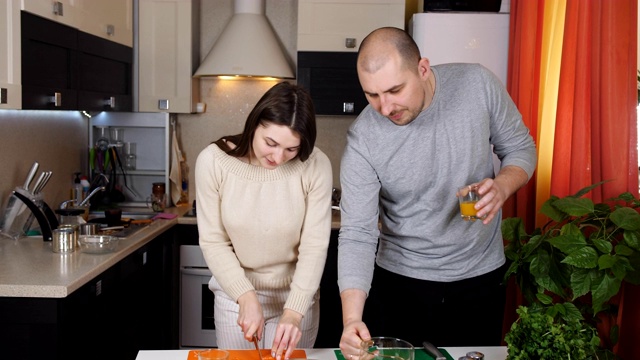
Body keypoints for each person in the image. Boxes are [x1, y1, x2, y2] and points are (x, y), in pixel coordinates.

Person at [337, 27, 538, 355]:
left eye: (394, 90)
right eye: (371, 95)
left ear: (423, 69)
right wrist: (351, 320)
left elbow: (520, 148)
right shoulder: (364, 138)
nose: (385, 108)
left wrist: (502, 186)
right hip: (400, 284)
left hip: (480, 279)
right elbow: (357, 234)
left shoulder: (477, 85)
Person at [195, 82, 333, 359]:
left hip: (296, 298)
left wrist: (294, 313)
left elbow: (314, 246)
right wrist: (245, 296)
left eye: (292, 149)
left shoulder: (316, 165)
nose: (278, 157)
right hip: (236, 297)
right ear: (254, 124)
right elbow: (213, 241)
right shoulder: (214, 161)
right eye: (270, 143)